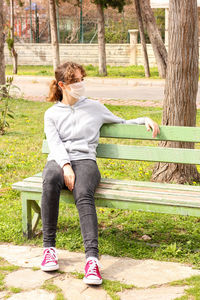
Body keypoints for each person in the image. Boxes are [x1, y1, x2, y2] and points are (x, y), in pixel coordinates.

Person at [41, 61, 160, 285]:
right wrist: (66, 166)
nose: (80, 84)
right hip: (59, 160)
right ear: (62, 85)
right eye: (75, 81)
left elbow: (121, 122)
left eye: (82, 79)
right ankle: (49, 249)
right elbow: (55, 144)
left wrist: (144, 119)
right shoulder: (52, 114)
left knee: (83, 192)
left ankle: (92, 261)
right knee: (49, 181)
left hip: (86, 161)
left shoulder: (94, 107)